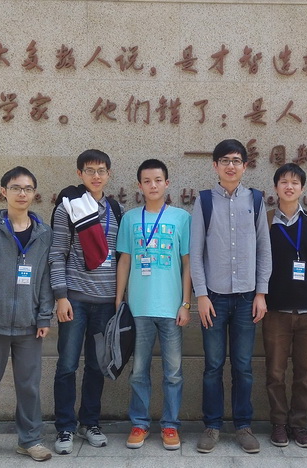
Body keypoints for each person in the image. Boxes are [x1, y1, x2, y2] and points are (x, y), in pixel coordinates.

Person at [190, 139, 272, 454]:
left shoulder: (256, 199)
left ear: (245, 166)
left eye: (236, 160)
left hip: (247, 299)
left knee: (243, 366)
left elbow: (264, 248)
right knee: (213, 365)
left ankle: (243, 426)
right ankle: (212, 426)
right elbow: (196, 252)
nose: (230, 166)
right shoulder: (204, 201)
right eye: (224, 160)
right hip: (214, 298)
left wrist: (261, 292)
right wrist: (201, 295)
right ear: (215, 165)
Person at [0, 166, 53, 463]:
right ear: (4, 191)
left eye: (28, 188)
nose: (22, 193)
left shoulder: (44, 234)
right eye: (16, 188)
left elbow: (45, 279)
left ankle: (30, 440)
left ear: (34, 193)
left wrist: (44, 316)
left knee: (29, 387)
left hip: (29, 326)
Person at [115, 159, 192, 451]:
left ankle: (170, 426)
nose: (153, 185)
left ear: (167, 183)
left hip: (172, 309)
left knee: (173, 372)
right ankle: (139, 423)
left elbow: (188, 264)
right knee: (138, 371)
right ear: (139, 185)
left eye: (158, 180)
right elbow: (125, 260)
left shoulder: (181, 218)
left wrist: (186, 303)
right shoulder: (130, 219)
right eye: (147, 181)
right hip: (138, 309)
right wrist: (119, 298)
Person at [50, 150, 123, 454]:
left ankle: (89, 422)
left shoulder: (116, 210)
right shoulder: (67, 208)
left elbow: (121, 258)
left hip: (106, 303)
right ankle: (65, 427)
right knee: (67, 365)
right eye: (90, 170)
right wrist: (61, 296)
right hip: (75, 301)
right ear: (79, 174)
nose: (96, 176)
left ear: (109, 175)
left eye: (101, 170)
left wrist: (120, 299)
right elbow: (57, 254)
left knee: (96, 365)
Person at [263, 163, 307, 448]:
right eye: (284, 182)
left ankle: (299, 425)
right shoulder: (266, 221)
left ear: (302, 188)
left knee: (305, 374)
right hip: (275, 310)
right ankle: (279, 424)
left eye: (294, 183)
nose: (289, 187)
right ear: (275, 187)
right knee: (275, 373)